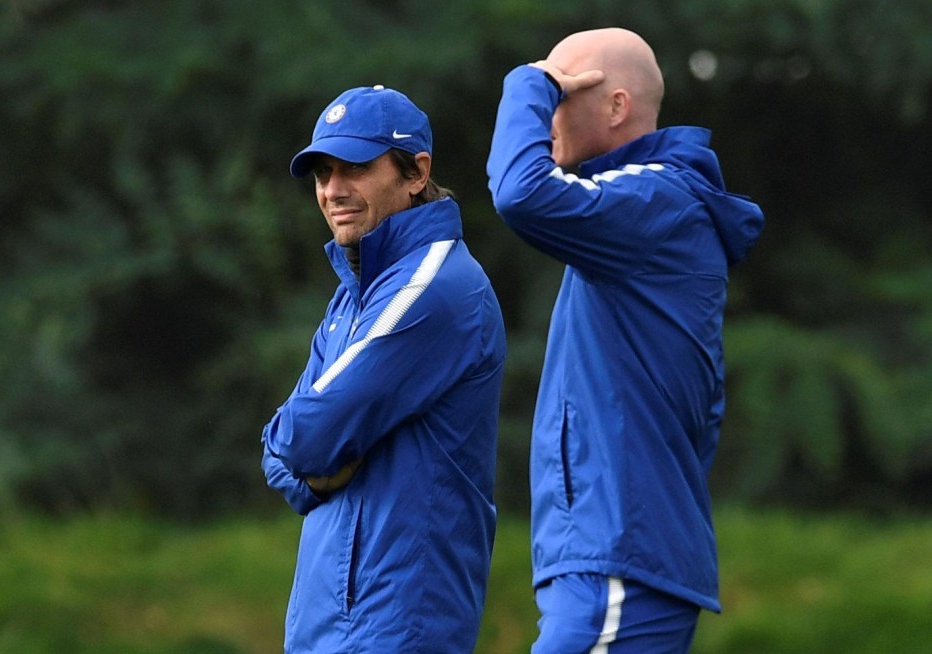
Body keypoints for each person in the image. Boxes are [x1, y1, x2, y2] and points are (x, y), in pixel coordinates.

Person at [487, 28, 764, 653]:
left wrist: (525, 83)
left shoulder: (654, 201)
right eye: (549, 91)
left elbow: (520, 193)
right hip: (607, 558)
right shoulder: (633, 210)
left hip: (619, 558)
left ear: (615, 107)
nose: (548, 108)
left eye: (563, 90)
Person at [262, 85, 506, 653]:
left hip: (393, 629)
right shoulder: (355, 294)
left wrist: (308, 453)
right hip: (328, 627)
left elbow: (304, 435)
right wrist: (305, 458)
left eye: (355, 168)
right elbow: (284, 454)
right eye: (323, 173)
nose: (333, 190)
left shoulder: (434, 287)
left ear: (417, 173)